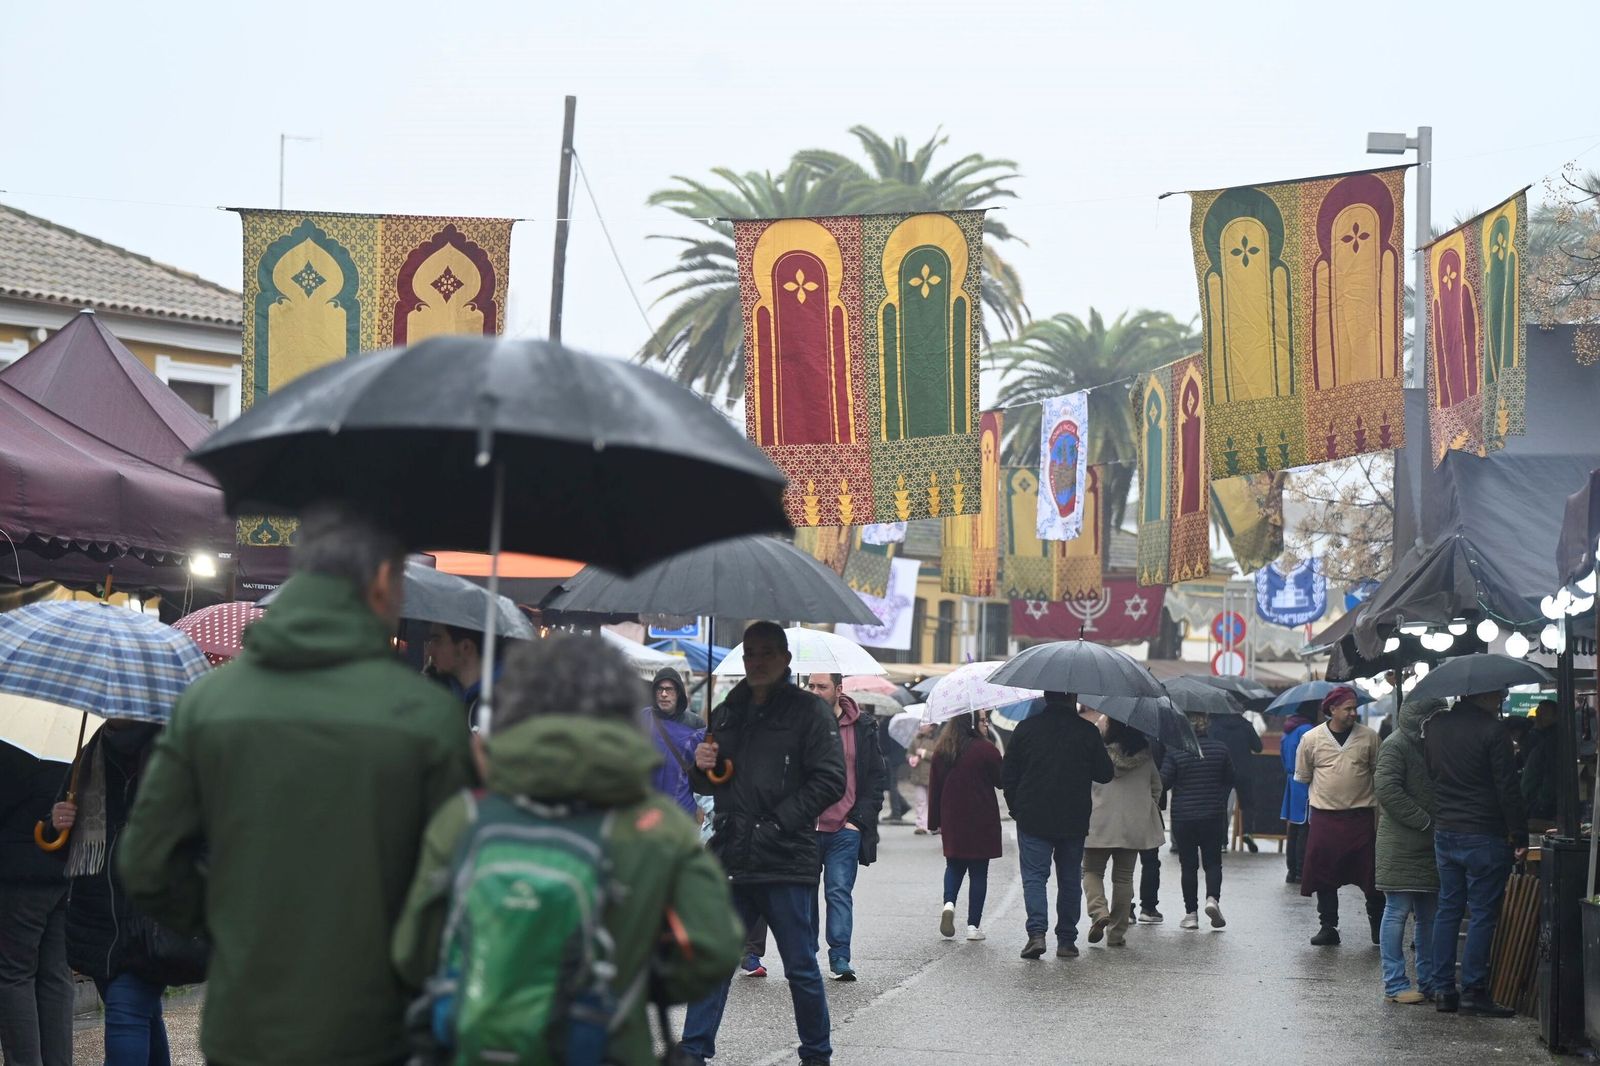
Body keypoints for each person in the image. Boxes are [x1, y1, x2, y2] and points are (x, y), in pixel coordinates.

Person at [119, 504, 476, 1066]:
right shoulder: (426, 718)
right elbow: (457, 884)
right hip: (376, 1024)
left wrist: (228, 921)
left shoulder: (209, 704)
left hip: (247, 1022)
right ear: (382, 582)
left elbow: (146, 860)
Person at [392, 634, 742, 1064]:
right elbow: (713, 949)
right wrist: (629, 975)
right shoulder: (657, 828)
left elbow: (412, 954)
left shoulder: (464, 818)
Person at [677, 622, 846, 1066]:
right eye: (751, 652)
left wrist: (777, 824)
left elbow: (830, 780)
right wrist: (703, 765)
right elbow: (716, 781)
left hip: (786, 859)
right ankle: (693, 1052)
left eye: (767, 652)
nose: (757, 660)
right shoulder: (730, 708)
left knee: (801, 968)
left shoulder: (810, 712)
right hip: (733, 856)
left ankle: (816, 1055)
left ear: (785, 659)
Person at [56, 722, 174, 1066]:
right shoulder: (90, 753)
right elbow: (58, 845)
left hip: (152, 913)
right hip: (97, 919)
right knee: (141, 1014)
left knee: (126, 1012)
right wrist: (57, 821)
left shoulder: (173, 750)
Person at [1424, 686, 1527, 1018]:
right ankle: (1473, 991)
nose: (1501, 701)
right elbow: (1507, 786)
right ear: (1482, 696)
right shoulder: (1493, 731)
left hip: (1446, 830)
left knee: (1448, 909)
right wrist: (1520, 833)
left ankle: (1442, 990)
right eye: (1498, 696)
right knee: (1482, 913)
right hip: (1484, 832)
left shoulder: (1435, 726)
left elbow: (1432, 774)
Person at [1001, 692, 1115, 960]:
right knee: (1069, 878)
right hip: (1073, 817)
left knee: (1035, 877)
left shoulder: (1026, 729)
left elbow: (1008, 773)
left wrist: (1015, 806)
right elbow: (1105, 774)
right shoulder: (1087, 732)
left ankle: (1036, 935)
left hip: (1032, 814)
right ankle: (1066, 940)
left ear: (1045, 697)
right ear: (1073, 697)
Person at [805, 672, 886, 982]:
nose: (814, 691)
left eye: (821, 686)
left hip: (845, 829)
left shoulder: (862, 726)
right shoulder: (801, 725)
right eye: (810, 685)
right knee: (804, 893)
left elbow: (876, 778)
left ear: (838, 690)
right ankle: (805, 955)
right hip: (807, 827)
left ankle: (840, 957)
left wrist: (858, 821)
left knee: (838, 892)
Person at [1295, 686, 1384, 947]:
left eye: (1355, 708)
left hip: (1360, 817)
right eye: (1348, 708)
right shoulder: (1311, 739)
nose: (1353, 713)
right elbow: (1304, 775)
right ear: (1332, 709)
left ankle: (1378, 927)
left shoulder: (1369, 737)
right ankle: (1328, 926)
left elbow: (1377, 772)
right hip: (1325, 817)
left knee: (1371, 874)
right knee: (1324, 873)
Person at [0, 747, 72, 1066]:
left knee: (14, 974)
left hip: (18, 874)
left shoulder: (11, 746)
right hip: (62, 868)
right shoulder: (73, 748)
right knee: (56, 975)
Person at [1375, 696, 1446, 1006]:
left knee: (1429, 917)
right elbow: (1387, 789)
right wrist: (1425, 820)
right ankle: (1395, 983)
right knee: (1397, 913)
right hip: (1402, 845)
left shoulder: (1430, 744)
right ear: (1424, 718)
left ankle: (1428, 982)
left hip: (1430, 844)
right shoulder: (1396, 744)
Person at [1083, 720, 1165, 946]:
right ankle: (1117, 933)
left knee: (1091, 871)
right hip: (1133, 825)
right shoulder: (1146, 757)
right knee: (1123, 878)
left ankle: (1099, 911)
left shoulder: (1099, 753)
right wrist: (1143, 807)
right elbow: (1157, 788)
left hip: (1099, 822)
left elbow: (1086, 783)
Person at [928, 712, 1003, 941]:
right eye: (983, 720)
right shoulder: (986, 750)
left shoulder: (942, 751)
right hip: (981, 819)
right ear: (972, 723)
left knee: (954, 865)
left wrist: (934, 821)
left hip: (952, 818)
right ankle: (973, 926)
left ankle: (949, 904)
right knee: (979, 872)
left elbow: (935, 788)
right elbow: (1001, 780)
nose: (986, 724)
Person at [1160, 713, 1235, 931]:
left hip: (1184, 817)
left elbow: (1164, 782)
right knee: (1212, 862)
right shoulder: (1221, 749)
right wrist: (1219, 799)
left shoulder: (1176, 751)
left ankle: (1191, 914)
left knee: (1189, 866)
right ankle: (1212, 899)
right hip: (1212, 814)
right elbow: (1230, 779)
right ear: (1206, 726)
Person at [641, 667, 706, 818]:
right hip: (647, 809)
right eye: (660, 689)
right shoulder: (642, 718)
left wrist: (703, 806)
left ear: (678, 694)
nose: (664, 694)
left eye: (669, 690)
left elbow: (705, 769)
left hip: (682, 811)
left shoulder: (695, 725)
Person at [1208, 711, 1263, 851]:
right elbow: (1258, 747)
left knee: (1221, 805)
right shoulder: (1246, 725)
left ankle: (1222, 842)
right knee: (1248, 804)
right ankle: (1247, 832)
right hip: (1244, 771)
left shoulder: (1215, 725)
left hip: (1223, 769)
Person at [1280, 704, 1320, 883]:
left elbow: (1282, 757)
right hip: (1304, 781)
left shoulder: (1288, 730)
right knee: (1305, 827)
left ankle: (1291, 871)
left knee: (1294, 828)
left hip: (1291, 782)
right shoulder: (1308, 730)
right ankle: (1301, 871)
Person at [1519, 700, 1559, 823]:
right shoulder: (1542, 736)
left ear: (1556, 716)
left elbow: (1551, 774)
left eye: (1544, 713)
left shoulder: (1553, 739)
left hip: (1543, 804)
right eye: (1538, 713)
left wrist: (1541, 803)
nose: (1538, 717)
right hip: (1537, 800)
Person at [906, 722, 937, 834]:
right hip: (918, 775)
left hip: (932, 776)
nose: (922, 726)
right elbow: (909, 753)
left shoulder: (936, 740)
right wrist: (911, 758)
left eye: (925, 724)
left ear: (932, 727)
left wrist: (924, 753)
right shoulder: (915, 739)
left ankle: (934, 824)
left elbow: (938, 755)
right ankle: (921, 825)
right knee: (920, 801)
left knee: (932, 801)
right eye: (921, 724)